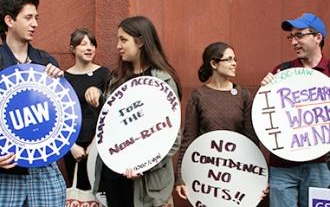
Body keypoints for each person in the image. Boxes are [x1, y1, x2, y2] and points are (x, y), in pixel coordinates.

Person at [85, 16, 182, 207]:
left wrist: (144, 166)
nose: (117, 46)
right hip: (114, 178)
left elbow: (172, 136)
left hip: (147, 186)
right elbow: (109, 126)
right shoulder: (115, 79)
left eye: (123, 40)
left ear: (141, 42)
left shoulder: (163, 81)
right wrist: (97, 100)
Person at [0, 0, 66, 207]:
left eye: (36, 17)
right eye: (28, 18)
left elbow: (65, 116)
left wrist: (60, 86)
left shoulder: (46, 62)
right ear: (9, 21)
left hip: (44, 168)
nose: (35, 23)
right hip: (6, 170)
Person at [175, 42, 262, 200]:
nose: (234, 63)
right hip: (206, 176)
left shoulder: (244, 96)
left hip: (237, 173)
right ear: (214, 64)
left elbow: (252, 141)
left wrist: (259, 177)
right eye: (229, 59)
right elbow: (189, 139)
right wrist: (180, 177)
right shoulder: (198, 96)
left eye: (235, 59)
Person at [261, 13, 330, 207]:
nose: (294, 42)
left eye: (299, 35)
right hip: (283, 165)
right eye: (291, 37)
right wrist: (266, 90)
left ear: (318, 37)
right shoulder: (281, 72)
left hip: (321, 164)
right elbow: (266, 114)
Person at [63, 28, 109, 190]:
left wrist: (95, 144)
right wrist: (71, 146)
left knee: (100, 192)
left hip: (100, 143)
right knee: (77, 191)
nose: (89, 48)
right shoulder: (63, 78)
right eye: (83, 44)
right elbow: (60, 117)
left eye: (92, 44)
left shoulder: (104, 74)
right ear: (72, 49)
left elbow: (110, 114)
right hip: (72, 145)